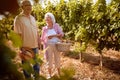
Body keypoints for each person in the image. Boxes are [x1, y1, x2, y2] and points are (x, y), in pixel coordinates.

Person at [14, 0, 40, 79]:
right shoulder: (18, 18)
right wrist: (21, 48)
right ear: (22, 7)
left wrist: (38, 40)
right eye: (27, 5)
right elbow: (17, 34)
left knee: (37, 67)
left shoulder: (32, 18)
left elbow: (36, 30)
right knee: (27, 69)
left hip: (35, 46)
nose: (29, 7)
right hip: (26, 48)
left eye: (30, 5)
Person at [41, 12, 64, 77]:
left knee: (57, 59)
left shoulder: (56, 26)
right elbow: (42, 39)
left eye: (48, 18)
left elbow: (61, 34)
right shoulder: (44, 28)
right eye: (46, 18)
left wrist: (54, 35)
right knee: (49, 60)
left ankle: (59, 74)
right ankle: (49, 75)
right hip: (48, 46)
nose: (47, 19)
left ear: (52, 19)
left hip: (56, 45)